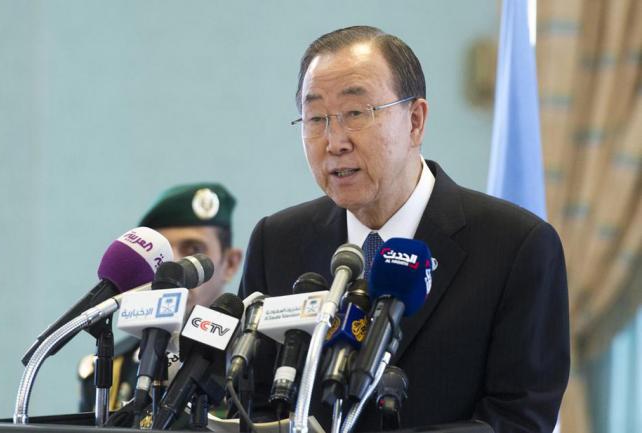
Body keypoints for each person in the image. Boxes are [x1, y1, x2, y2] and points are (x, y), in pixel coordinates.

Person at [239, 26, 570, 433]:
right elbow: (250, 401)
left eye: (355, 113)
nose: (334, 141)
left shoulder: (516, 246)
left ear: (415, 121)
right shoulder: (276, 242)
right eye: (316, 119)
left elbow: (520, 418)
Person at [78, 182, 242, 412]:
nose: (172, 266)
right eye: (162, 256)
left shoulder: (248, 358)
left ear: (230, 263)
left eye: (193, 249)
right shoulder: (114, 367)